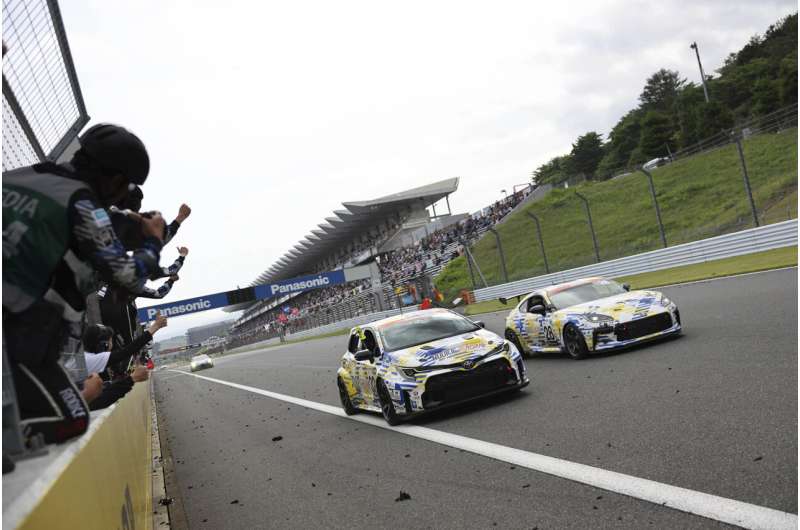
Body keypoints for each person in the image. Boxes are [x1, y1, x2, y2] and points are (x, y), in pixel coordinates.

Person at [3, 123, 166, 444]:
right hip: (15, 330)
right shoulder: (82, 204)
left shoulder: (19, 176)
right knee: (73, 418)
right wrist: (154, 242)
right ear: (117, 180)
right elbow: (128, 277)